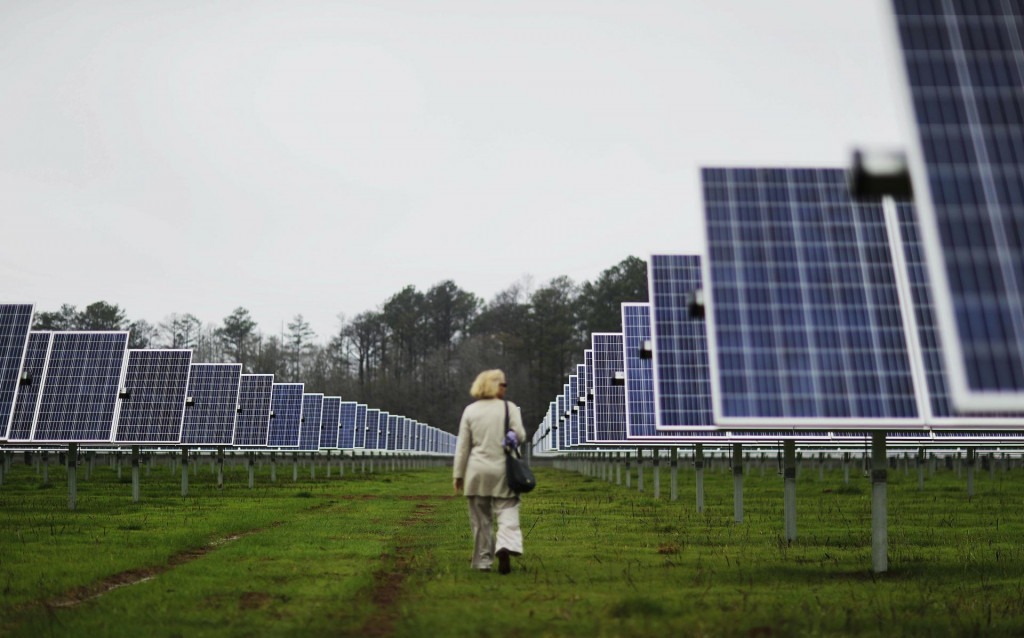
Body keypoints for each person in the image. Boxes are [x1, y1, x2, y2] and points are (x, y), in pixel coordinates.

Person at [452, 369, 528, 574]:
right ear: (494, 386)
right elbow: (520, 435)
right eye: (503, 384)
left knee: (480, 521)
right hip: (503, 470)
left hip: (476, 472)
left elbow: (463, 447)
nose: (505, 388)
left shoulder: (470, 410)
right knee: (508, 509)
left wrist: (458, 475)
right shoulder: (508, 408)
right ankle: (505, 544)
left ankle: (483, 562)